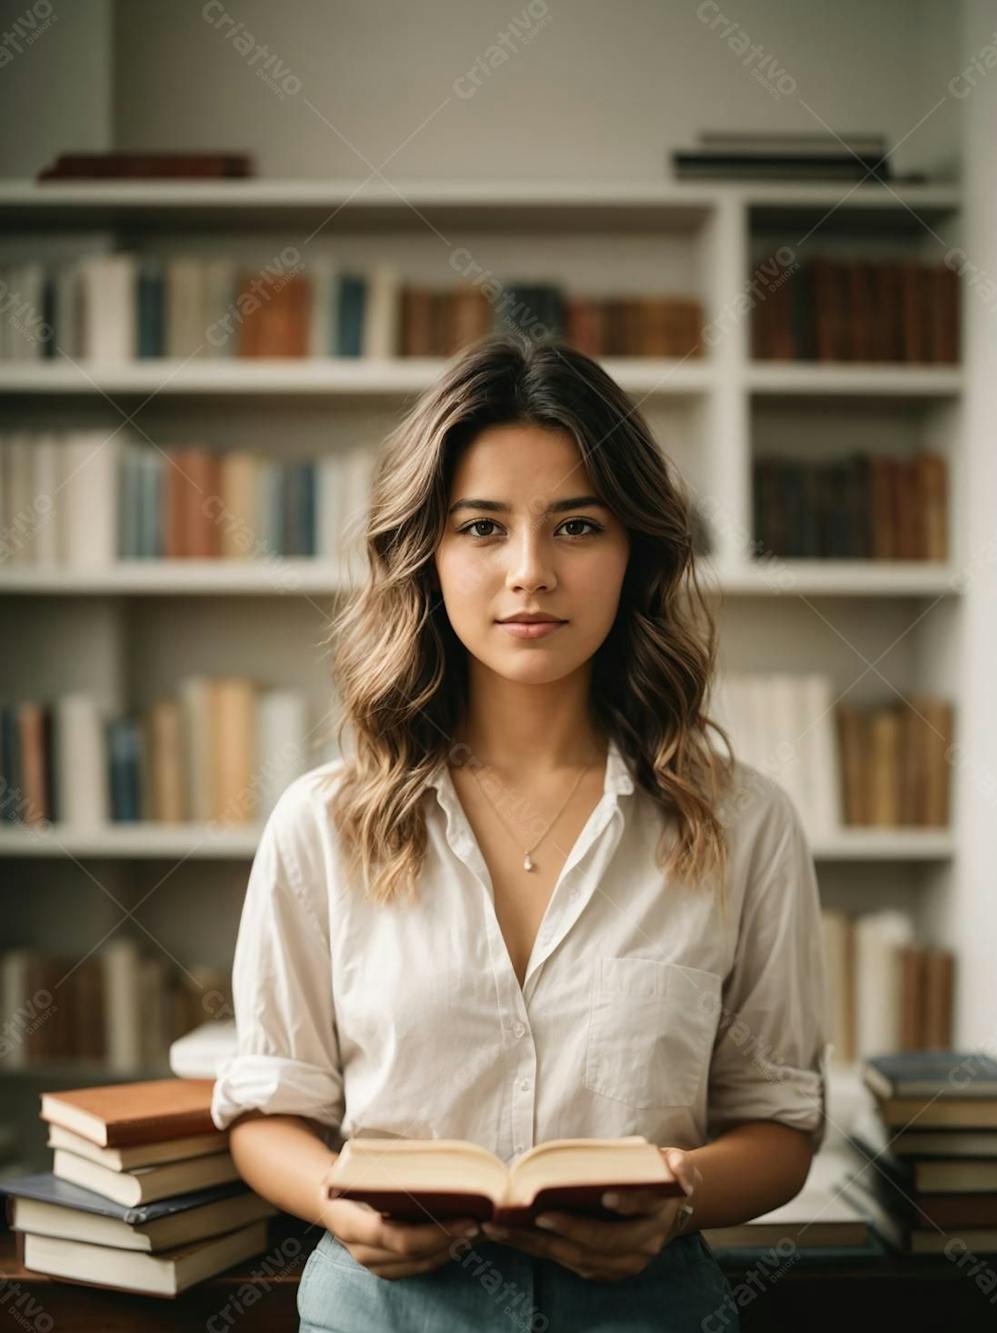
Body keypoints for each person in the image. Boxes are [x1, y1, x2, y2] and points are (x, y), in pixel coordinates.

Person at [210, 334, 832, 1332]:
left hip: (651, 1306)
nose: (530, 572)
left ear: (635, 552)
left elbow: (779, 1123)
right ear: (427, 552)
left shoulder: (742, 823)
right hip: (385, 1309)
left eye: (577, 526)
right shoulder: (322, 823)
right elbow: (267, 1107)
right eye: (482, 527)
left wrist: (679, 1195)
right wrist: (334, 1197)